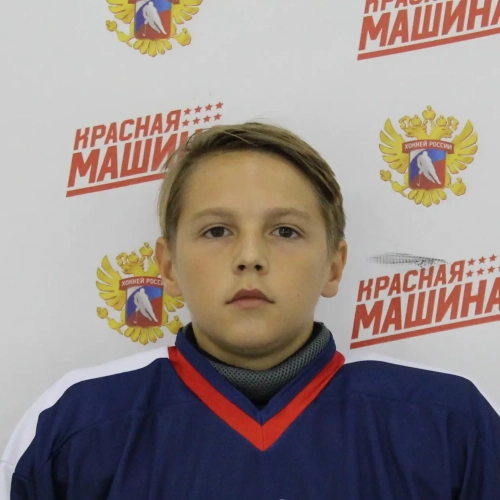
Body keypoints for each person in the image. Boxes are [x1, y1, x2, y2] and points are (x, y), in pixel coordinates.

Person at [1, 122, 500, 499]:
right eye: (217, 230)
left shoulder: (449, 425)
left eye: (285, 231)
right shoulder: (72, 426)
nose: (250, 257)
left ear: (334, 265)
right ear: (168, 266)